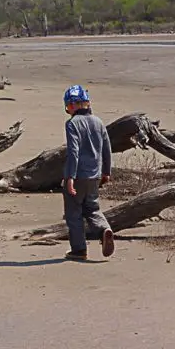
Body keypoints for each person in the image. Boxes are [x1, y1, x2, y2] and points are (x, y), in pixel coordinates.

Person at [61, 84, 115, 261]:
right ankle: (104, 229)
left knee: (74, 213)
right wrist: (106, 171)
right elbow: (106, 149)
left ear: (72, 105)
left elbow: (73, 152)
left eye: (68, 106)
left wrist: (69, 177)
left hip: (78, 175)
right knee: (92, 208)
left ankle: (79, 249)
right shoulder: (98, 122)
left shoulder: (72, 124)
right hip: (95, 174)